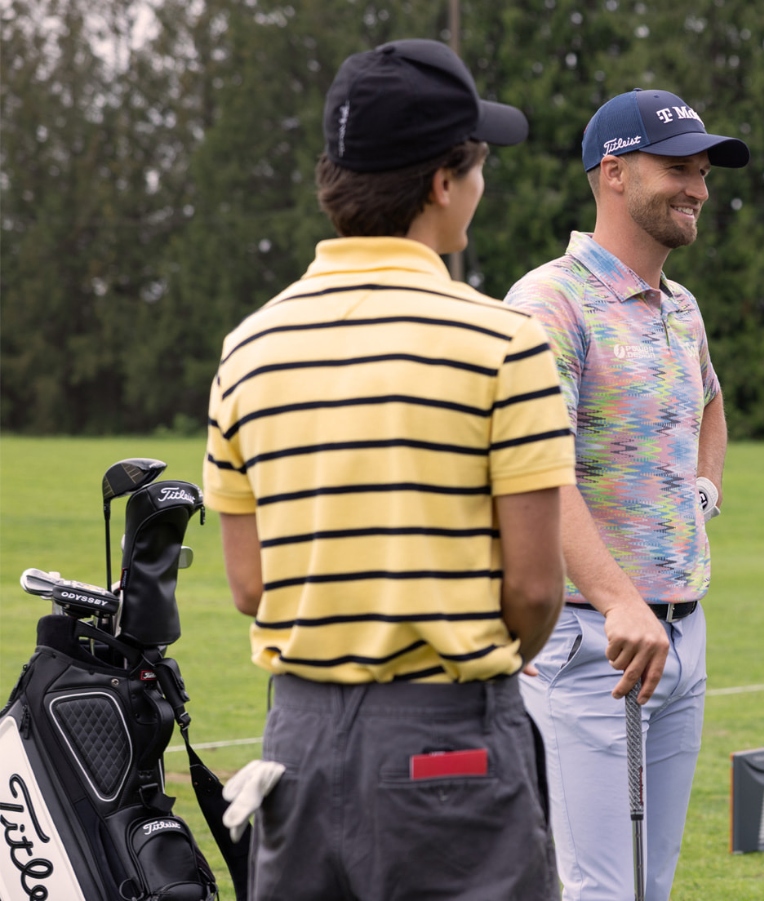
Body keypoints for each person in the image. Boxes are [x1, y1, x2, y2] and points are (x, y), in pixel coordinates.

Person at [203, 39, 573, 898]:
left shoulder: (249, 346)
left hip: (294, 741)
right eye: (476, 167)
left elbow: (251, 584)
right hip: (450, 738)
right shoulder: (502, 341)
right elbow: (535, 589)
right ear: (444, 181)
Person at [506, 88, 748, 901]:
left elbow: (712, 402)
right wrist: (618, 602)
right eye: (678, 169)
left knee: (651, 885)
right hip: (591, 645)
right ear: (613, 173)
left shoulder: (682, 306)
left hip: (683, 632)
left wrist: (701, 493)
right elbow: (539, 471)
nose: (698, 190)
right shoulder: (551, 302)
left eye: (704, 172)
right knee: (600, 889)